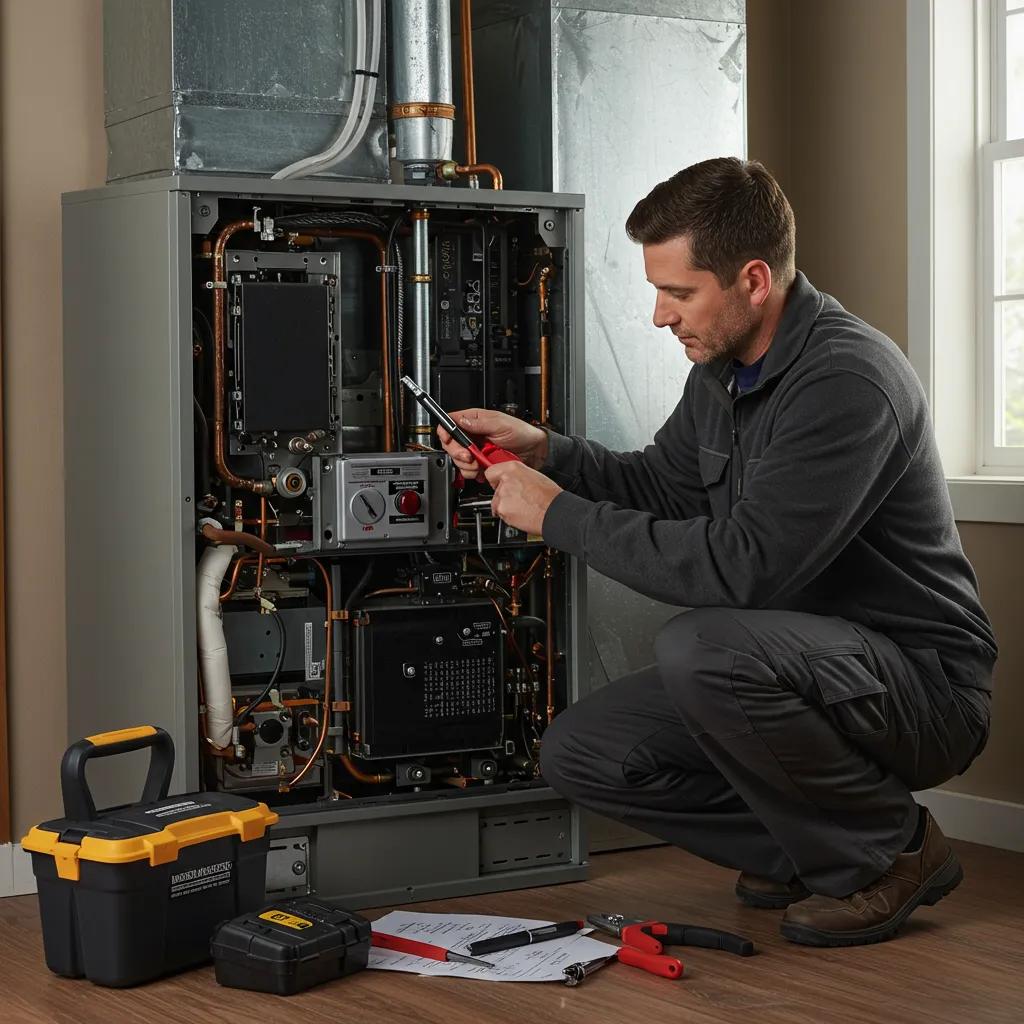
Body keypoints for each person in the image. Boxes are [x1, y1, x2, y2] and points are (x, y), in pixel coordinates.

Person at [437, 157, 996, 948]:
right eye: (657, 290)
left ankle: (892, 852)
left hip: (919, 687)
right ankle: (814, 848)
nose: (661, 316)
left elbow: (745, 567)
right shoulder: (724, 369)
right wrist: (547, 451)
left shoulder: (847, 380)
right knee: (583, 752)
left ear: (755, 280)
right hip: (802, 669)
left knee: (702, 645)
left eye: (679, 292)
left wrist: (556, 516)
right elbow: (666, 484)